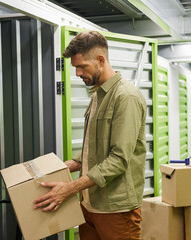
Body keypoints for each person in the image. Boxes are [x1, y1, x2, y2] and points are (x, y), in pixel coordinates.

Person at [33, 31, 147, 240]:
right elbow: (92, 148)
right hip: (89, 203)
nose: (77, 73)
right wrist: (63, 167)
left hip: (115, 208)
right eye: (75, 67)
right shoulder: (97, 95)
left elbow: (119, 159)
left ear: (100, 60)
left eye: (81, 66)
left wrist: (69, 188)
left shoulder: (126, 97)